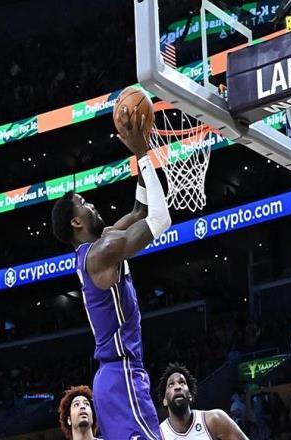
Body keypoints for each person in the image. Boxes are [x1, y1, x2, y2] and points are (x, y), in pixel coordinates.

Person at [52, 106, 171, 440]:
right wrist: (144, 154)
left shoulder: (101, 244)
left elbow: (140, 210)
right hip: (121, 373)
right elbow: (160, 219)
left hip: (117, 375)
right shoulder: (100, 254)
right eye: (85, 203)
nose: (92, 205)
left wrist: (138, 156)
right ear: (77, 222)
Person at [158, 363, 249, 439]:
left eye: (182, 382)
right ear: (165, 400)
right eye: (171, 384)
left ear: (190, 395)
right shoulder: (158, 435)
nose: (177, 387)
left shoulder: (215, 420)